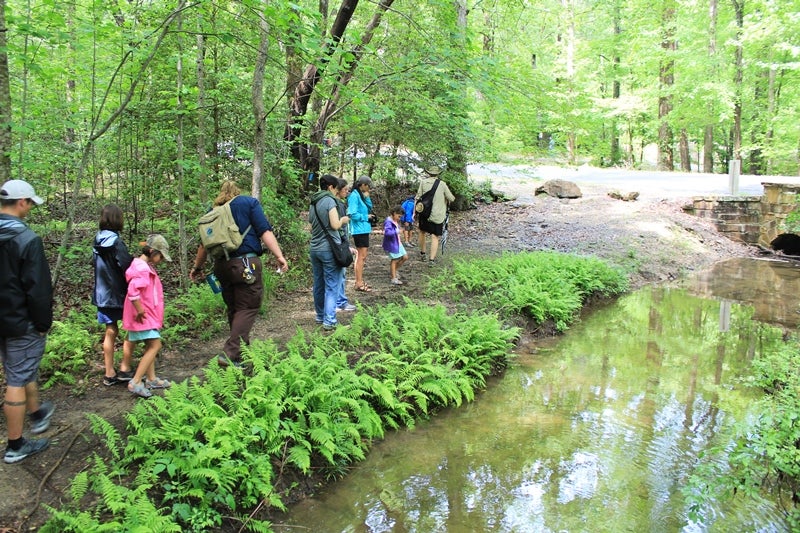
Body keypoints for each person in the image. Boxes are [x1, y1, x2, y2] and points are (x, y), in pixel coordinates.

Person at [190, 181, 288, 367]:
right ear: (237, 193)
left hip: (221, 267)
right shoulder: (248, 203)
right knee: (248, 306)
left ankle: (241, 352)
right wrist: (279, 256)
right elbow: (264, 231)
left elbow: (203, 245)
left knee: (235, 307)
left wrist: (197, 267)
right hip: (245, 264)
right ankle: (231, 353)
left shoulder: (213, 213)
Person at [0, 179, 55, 463]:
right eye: (31, 203)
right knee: (17, 379)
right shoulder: (27, 239)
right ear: (22, 202)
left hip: (4, 320)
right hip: (21, 322)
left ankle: (36, 414)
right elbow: (38, 289)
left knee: (20, 371)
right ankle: (15, 445)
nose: (31, 208)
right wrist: (43, 322)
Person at [124, 235, 172, 398]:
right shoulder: (142, 268)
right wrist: (140, 310)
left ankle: (151, 379)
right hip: (143, 316)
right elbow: (133, 291)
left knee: (150, 345)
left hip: (148, 314)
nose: (161, 260)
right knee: (155, 346)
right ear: (152, 252)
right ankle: (136, 381)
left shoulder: (144, 266)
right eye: (160, 256)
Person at [92, 204, 135, 387]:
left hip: (102, 294)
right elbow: (127, 265)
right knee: (132, 328)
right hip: (119, 293)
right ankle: (125, 368)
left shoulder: (97, 240)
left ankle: (109, 372)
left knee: (110, 330)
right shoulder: (116, 242)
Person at [309, 175, 351, 330]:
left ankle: (320, 316)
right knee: (332, 285)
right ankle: (330, 321)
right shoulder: (330, 201)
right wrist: (343, 220)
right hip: (329, 249)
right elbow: (335, 224)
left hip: (315, 248)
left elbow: (311, 223)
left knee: (318, 284)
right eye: (335, 188)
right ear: (331, 187)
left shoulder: (313, 202)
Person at [416, 166, 455, 264]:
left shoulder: (423, 182)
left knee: (422, 232)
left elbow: (417, 197)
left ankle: (423, 254)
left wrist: (414, 213)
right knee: (435, 236)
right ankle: (431, 260)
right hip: (438, 215)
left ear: (428, 173)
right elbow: (451, 198)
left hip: (424, 213)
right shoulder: (442, 184)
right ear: (438, 174)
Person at [347, 176, 376, 292]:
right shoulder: (354, 195)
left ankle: (360, 281)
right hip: (358, 229)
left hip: (363, 229)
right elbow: (352, 214)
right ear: (363, 184)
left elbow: (369, 207)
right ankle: (358, 283)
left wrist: (367, 197)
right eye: (368, 186)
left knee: (363, 256)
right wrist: (365, 217)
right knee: (361, 256)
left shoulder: (360, 195)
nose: (369, 188)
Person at [334, 178, 356, 312]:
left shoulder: (328, 204)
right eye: (345, 189)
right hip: (340, 243)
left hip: (333, 242)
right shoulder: (339, 206)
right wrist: (346, 244)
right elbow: (341, 227)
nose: (347, 192)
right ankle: (340, 302)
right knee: (340, 273)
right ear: (338, 189)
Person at [382, 206, 408, 285]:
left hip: (398, 242)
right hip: (392, 243)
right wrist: (397, 231)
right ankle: (393, 278)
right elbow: (388, 233)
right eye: (399, 216)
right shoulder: (388, 222)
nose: (399, 218)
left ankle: (394, 271)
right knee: (395, 259)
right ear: (394, 213)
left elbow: (397, 227)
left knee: (405, 257)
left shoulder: (395, 220)